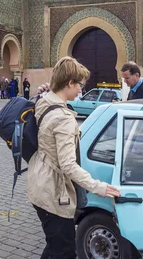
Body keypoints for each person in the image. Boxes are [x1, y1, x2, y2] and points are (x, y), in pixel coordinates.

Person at [27, 57, 120, 258]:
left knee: (54, 245)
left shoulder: (44, 101)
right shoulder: (63, 118)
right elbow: (68, 166)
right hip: (53, 192)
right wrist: (99, 187)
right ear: (69, 83)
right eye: (79, 85)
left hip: (38, 183)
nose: (80, 90)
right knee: (65, 250)